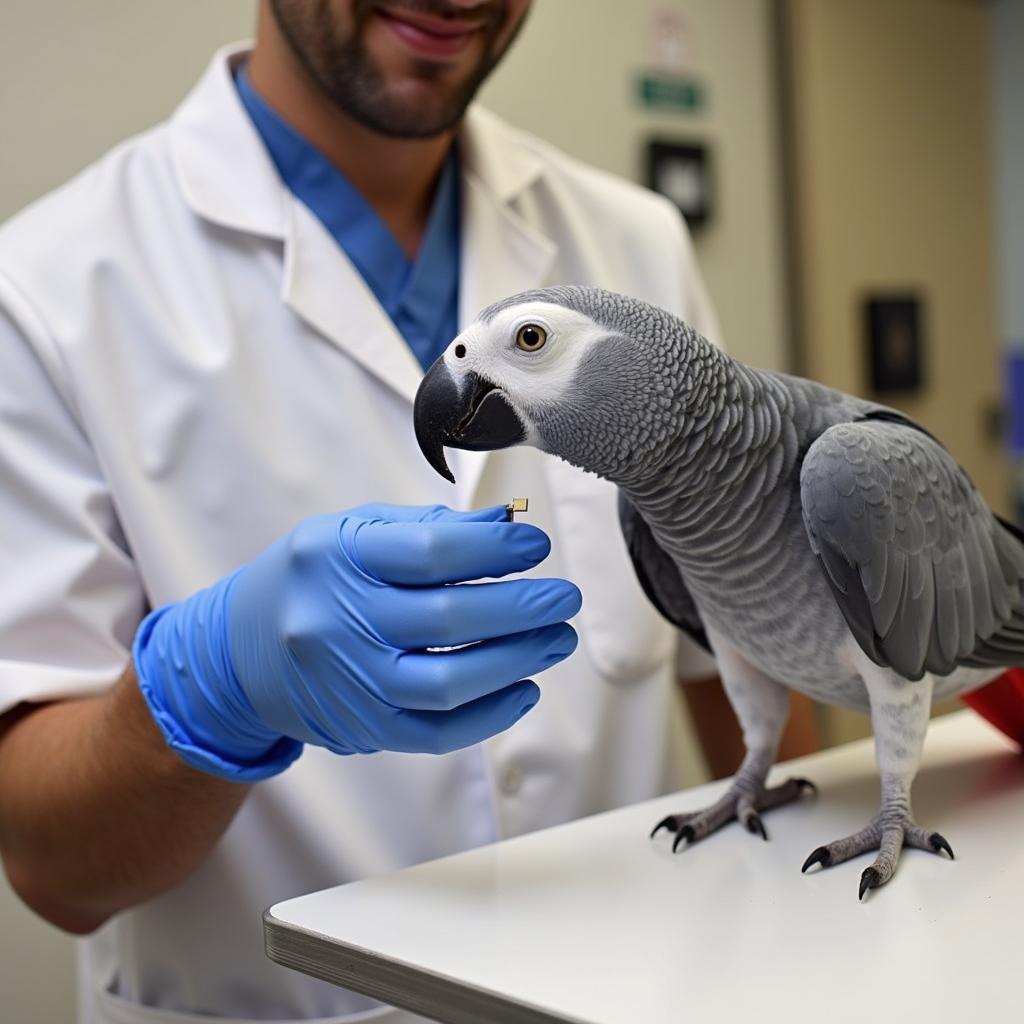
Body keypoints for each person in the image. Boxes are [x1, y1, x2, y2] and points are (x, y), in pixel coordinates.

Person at [0, 2, 818, 1021]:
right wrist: (208, 690)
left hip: (632, 984)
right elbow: (53, 868)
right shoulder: (45, 291)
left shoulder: (632, 244)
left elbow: (746, 664)